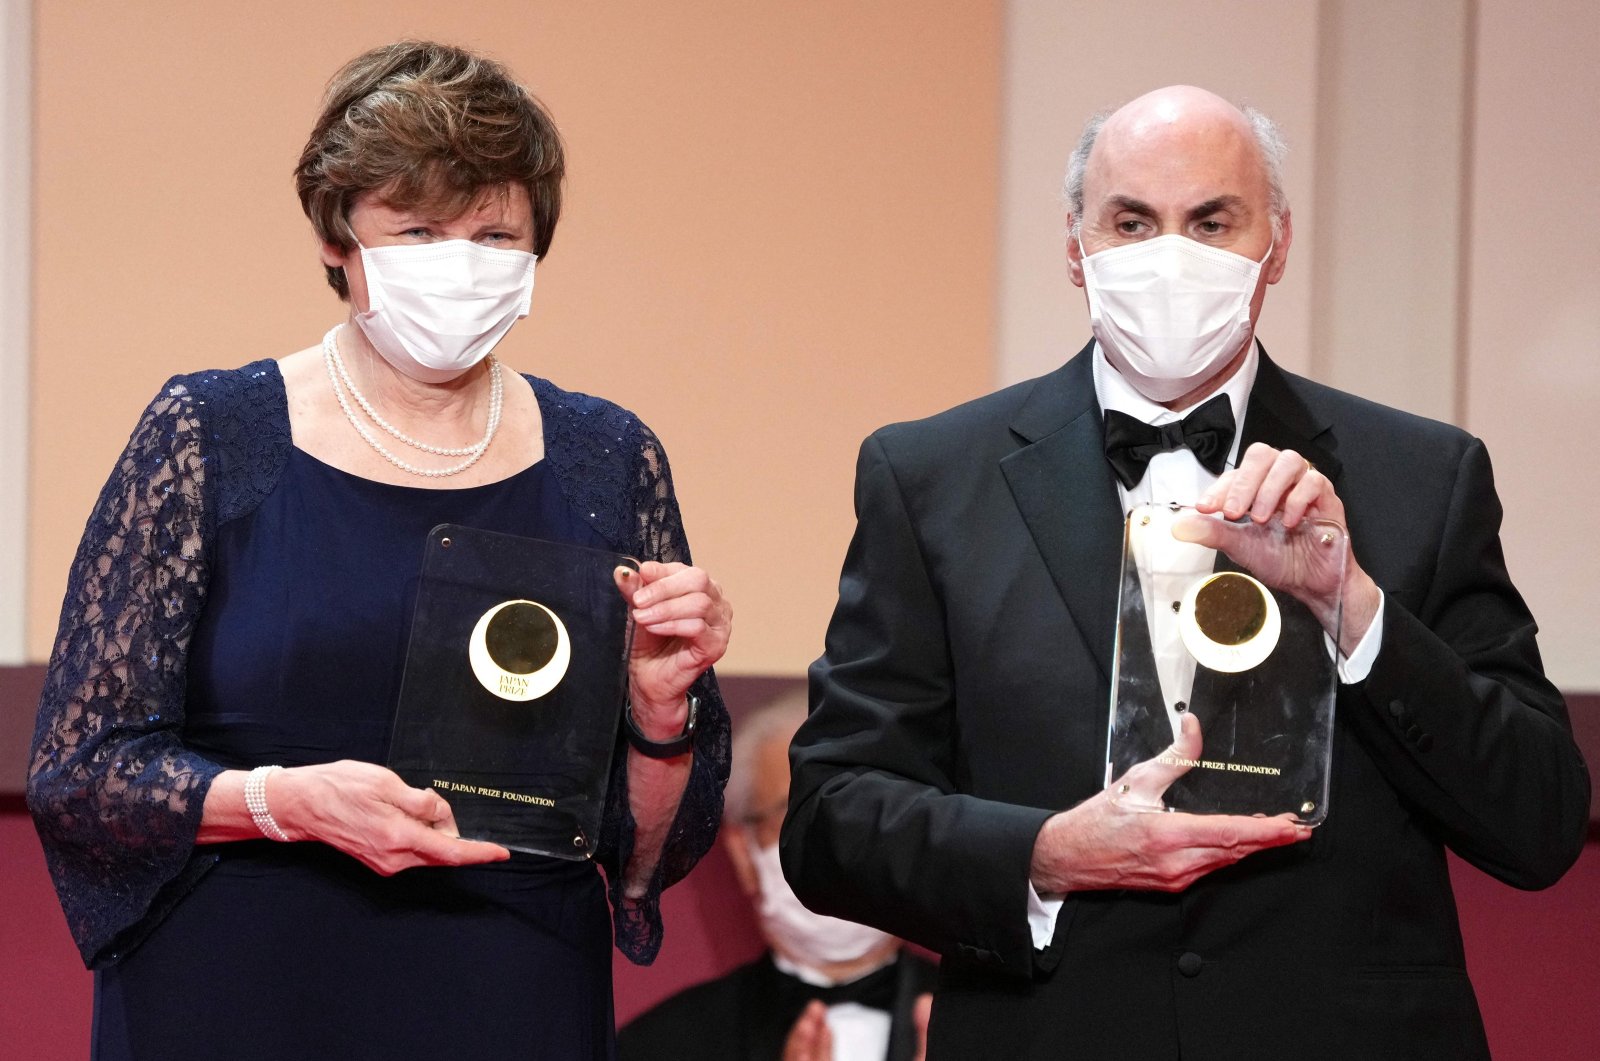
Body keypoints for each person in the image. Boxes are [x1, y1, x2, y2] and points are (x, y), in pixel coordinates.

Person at [781, 85, 1590, 1060]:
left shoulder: (1420, 476)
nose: (1171, 255)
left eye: (1212, 219)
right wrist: (1044, 853)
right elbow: (832, 816)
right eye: (1131, 221)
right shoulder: (928, 477)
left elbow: (1539, 821)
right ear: (1074, 249)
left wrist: (1355, 608)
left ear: (1276, 244)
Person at [27, 41, 731, 1060]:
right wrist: (281, 800)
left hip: (509, 988)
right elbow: (81, 773)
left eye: (494, 233)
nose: (459, 262)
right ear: (337, 243)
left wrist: (660, 712)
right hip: (238, 991)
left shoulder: (606, 458)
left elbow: (638, 854)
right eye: (417, 229)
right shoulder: (210, 434)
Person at [619, 690, 935, 1061]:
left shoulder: (994, 1027)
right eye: (801, 811)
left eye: (867, 809)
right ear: (743, 855)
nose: (839, 842)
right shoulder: (660, 1046)